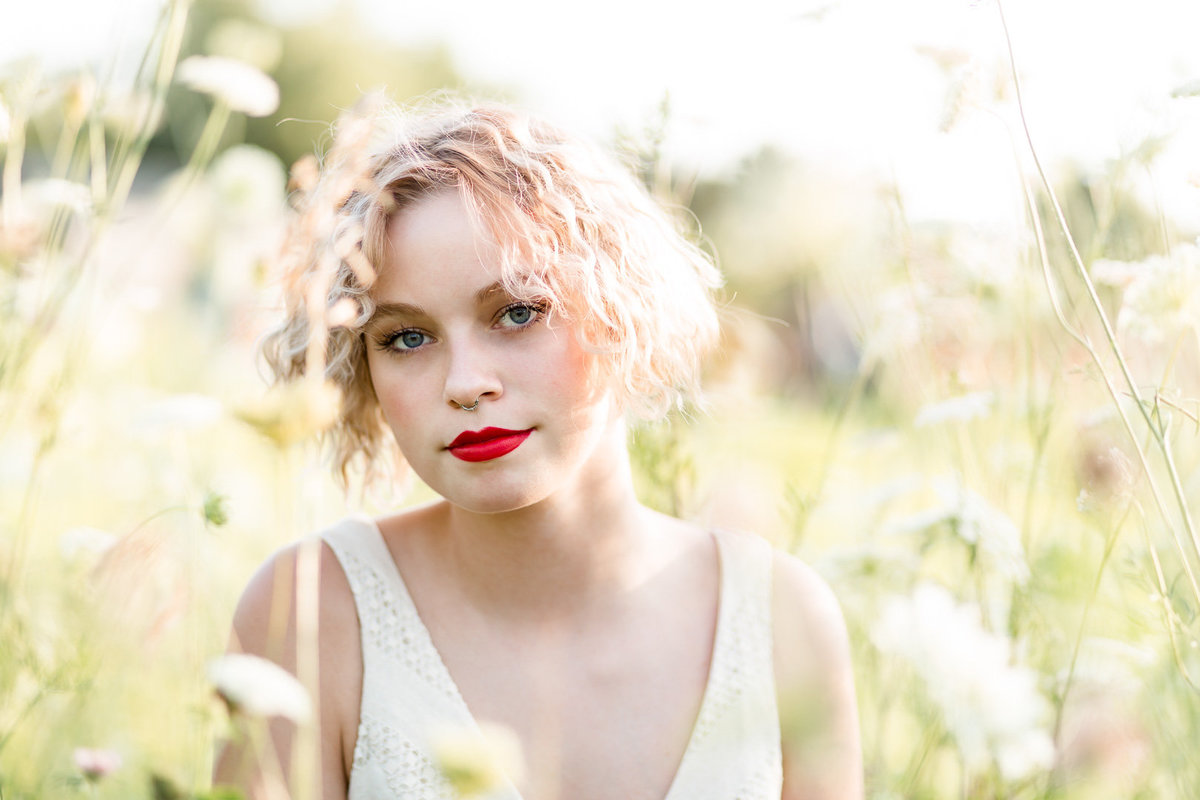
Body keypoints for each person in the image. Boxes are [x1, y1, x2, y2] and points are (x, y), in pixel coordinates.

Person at [214, 98, 862, 800]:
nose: (465, 384)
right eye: (407, 337)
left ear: (622, 310)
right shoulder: (310, 615)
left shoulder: (779, 619)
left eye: (518, 313)